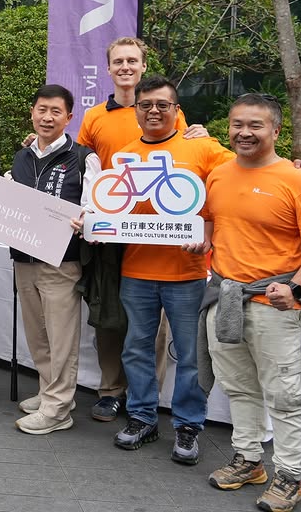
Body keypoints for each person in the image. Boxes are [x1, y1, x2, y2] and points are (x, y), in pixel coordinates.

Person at [197, 93, 301, 512]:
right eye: (237, 125)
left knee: (284, 394)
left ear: (276, 131)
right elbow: (213, 218)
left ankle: (289, 474)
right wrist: (204, 242)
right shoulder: (218, 175)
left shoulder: (296, 180)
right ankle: (249, 460)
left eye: (255, 126)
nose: (244, 133)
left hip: (276, 302)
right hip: (226, 297)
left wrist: (297, 289)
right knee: (239, 388)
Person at [76, 37, 204, 424]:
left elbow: (189, 152)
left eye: (133, 60)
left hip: (162, 240)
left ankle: (145, 399)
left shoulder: (168, 114)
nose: (126, 67)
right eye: (119, 61)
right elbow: (84, 164)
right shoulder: (95, 116)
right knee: (112, 319)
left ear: (143, 66)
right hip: (117, 234)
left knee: (157, 331)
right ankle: (112, 392)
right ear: (110, 67)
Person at [108, 76, 235, 463]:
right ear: (136, 110)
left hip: (189, 272)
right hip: (137, 270)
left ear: (177, 110)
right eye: (146, 105)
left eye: (163, 105)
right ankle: (142, 417)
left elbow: (248, 168)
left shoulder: (202, 148)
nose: (154, 111)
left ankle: (187, 425)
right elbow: (110, 208)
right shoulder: (124, 156)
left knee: (190, 355)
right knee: (137, 349)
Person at [10, 84, 99, 434]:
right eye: (41, 110)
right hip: (24, 258)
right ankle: (51, 392)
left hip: (61, 262)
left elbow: (94, 205)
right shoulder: (22, 156)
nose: (47, 117)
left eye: (56, 112)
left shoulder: (82, 157)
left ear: (69, 117)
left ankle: (58, 409)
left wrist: (85, 217)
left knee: (61, 336)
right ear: (32, 112)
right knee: (38, 334)